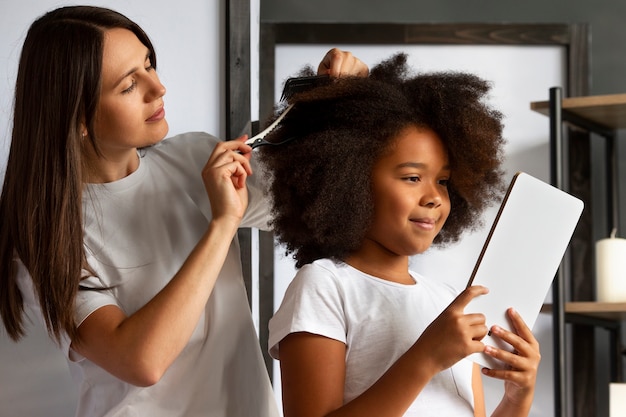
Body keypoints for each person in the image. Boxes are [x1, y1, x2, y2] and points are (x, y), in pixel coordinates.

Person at [0, 5, 368, 417]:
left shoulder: (195, 157)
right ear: (78, 117)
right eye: (128, 86)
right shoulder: (48, 237)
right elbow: (141, 360)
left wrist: (339, 100)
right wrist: (222, 223)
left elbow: (316, 199)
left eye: (149, 64)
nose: (158, 89)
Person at [259, 53, 541, 417]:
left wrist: (518, 399)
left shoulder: (449, 301)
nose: (434, 197)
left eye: (442, 181)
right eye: (412, 177)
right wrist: (425, 357)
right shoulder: (324, 286)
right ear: (352, 181)